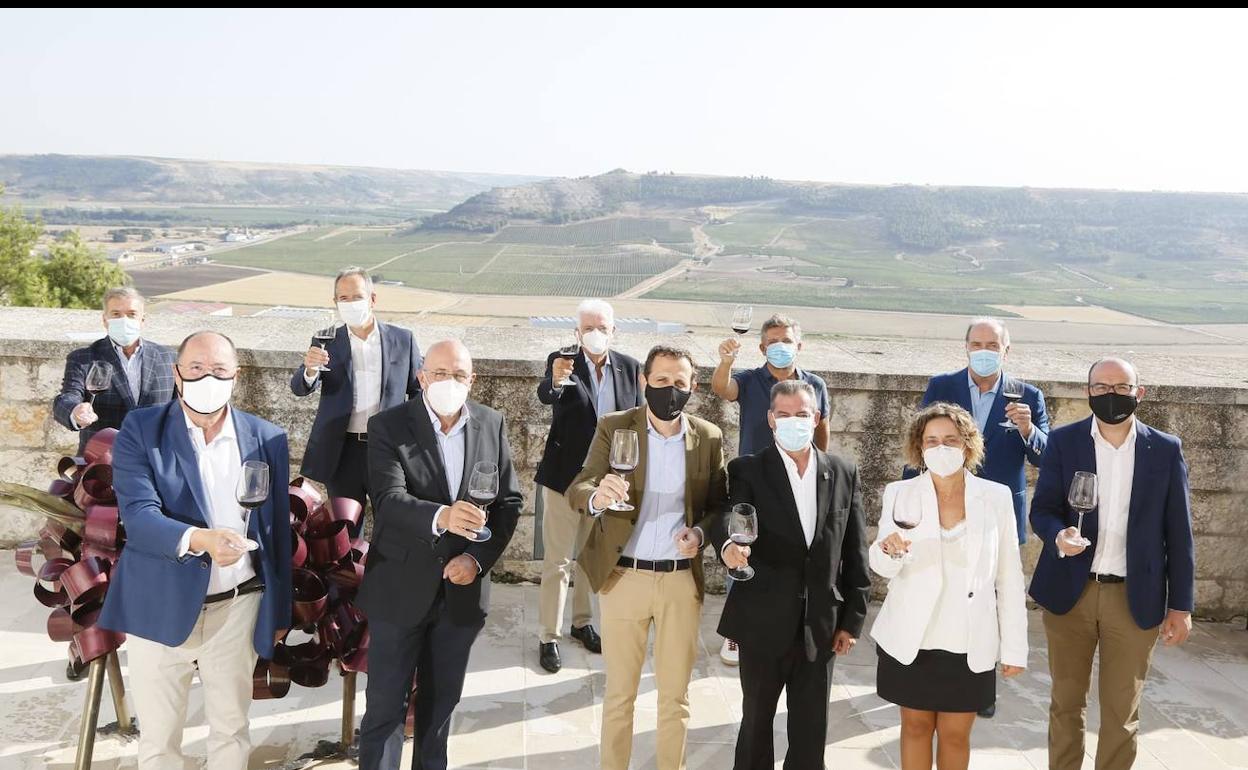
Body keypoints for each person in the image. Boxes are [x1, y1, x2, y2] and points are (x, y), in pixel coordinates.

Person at [99, 331, 292, 770]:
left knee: (230, 731)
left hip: (238, 608)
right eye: (198, 368)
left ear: (236, 376)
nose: (209, 377)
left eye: (220, 370)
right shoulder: (141, 429)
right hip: (158, 605)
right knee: (160, 740)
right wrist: (201, 540)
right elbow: (140, 515)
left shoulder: (268, 438)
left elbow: (277, 531)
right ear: (177, 373)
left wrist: (279, 612)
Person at [355, 339, 522, 770]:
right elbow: (388, 502)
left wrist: (477, 561)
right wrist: (443, 516)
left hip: (461, 596)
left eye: (460, 375)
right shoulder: (389, 426)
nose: (450, 382)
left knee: (439, 713)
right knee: (384, 712)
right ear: (422, 376)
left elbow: (507, 504)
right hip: (399, 591)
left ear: (473, 379)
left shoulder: (491, 423)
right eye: (441, 373)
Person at [566, 344, 728, 770]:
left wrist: (701, 533)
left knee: (675, 698)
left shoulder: (708, 437)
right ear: (644, 381)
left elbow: (719, 504)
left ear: (692, 387)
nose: (669, 390)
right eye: (661, 381)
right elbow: (579, 487)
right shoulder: (616, 427)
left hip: (679, 581)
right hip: (624, 578)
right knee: (620, 696)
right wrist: (598, 496)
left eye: (679, 383)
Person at [1029, 357, 1194, 770]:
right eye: (1101, 387)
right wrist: (1058, 535)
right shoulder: (1065, 443)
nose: (1110, 394)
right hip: (1072, 592)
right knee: (1065, 706)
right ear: (1088, 392)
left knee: (1122, 715)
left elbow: (1180, 533)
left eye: (1121, 387)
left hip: (1134, 597)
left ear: (1139, 393)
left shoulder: (1165, 449)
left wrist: (1181, 607)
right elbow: (1043, 509)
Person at [713, 380, 871, 770]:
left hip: (820, 625)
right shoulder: (747, 469)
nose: (793, 421)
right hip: (763, 622)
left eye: (801, 414)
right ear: (770, 419)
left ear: (816, 418)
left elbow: (855, 550)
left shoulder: (843, 471)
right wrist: (727, 546)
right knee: (756, 725)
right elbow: (727, 516)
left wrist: (852, 619)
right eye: (783, 414)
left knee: (811, 729)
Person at [869, 402, 1028, 770]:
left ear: (968, 445)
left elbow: (1009, 575)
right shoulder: (899, 493)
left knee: (957, 735)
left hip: (969, 639)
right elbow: (881, 564)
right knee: (914, 728)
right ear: (919, 447)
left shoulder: (996, 496)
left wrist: (1015, 648)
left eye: (951, 440)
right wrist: (889, 552)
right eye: (932, 440)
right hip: (914, 637)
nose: (941, 448)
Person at [910, 316, 1047, 717]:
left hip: (996, 511)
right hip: (946, 505)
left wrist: (1027, 431)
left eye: (993, 345)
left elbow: (1045, 454)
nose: (984, 352)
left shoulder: (1029, 395)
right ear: (965, 347)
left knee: (989, 600)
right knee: (945, 590)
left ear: (1007, 349)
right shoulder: (943, 386)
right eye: (977, 344)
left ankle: (981, 687)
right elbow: (923, 442)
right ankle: (934, 674)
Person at [711, 312, 831, 665]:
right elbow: (722, 388)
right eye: (774, 341)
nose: (781, 347)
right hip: (754, 482)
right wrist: (725, 361)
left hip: (799, 480)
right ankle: (735, 633)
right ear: (762, 347)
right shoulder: (749, 380)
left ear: (800, 345)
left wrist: (823, 468)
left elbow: (822, 427)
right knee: (741, 551)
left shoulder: (815, 385)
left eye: (787, 341)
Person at [534, 298, 643, 673]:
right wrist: (555, 378)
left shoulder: (630, 368)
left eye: (602, 327)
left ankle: (582, 624)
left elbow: (639, 419)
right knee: (558, 560)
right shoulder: (563, 362)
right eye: (588, 328)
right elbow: (546, 394)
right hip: (565, 478)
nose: (595, 334)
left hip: (605, 483)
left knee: (588, 557)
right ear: (577, 332)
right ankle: (549, 635)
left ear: (614, 331)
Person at [291, 266, 422, 534]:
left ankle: (388, 576)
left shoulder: (402, 339)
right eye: (344, 298)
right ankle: (351, 577)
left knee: (395, 524)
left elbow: (417, 390)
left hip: (387, 450)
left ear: (373, 299)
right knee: (346, 529)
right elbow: (300, 388)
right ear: (336, 303)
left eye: (357, 296)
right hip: (343, 451)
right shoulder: (326, 339)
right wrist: (310, 369)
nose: (351, 303)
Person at [52, 286, 177, 454]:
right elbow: (67, 397)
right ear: (105, 320)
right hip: (101, 462)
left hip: (154, 461)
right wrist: (75, 411)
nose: (124, 320)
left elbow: (182, 407)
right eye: (116, 314)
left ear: (142, 320)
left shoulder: (168, 358)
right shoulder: (84, 358)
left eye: (132, 314)